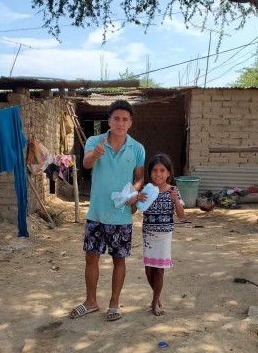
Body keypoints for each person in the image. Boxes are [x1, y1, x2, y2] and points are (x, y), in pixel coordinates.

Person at [69, 99, 145, 321]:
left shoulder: (137, 148)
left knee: (118, 260)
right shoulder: (95, 141)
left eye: (125, 120)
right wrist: (96, 154)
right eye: (116, 119)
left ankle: (114, 303)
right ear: (109, 121)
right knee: (91, 258)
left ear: (130, 123)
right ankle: (91, 301)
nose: (120, 123)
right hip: (97, 213)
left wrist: (133, 193)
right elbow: (86, 164)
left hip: (122, 215)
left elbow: (139, 178)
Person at [139, 154, 185, 316]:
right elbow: (138, 208)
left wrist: (176, 200)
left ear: (168, 174)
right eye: (154, 170)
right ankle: (156, 296)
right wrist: (137, 197)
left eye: (162, 170)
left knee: (159, 270)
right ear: (150, 173)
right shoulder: (147, 189)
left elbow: (181, 215)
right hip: (149, 234)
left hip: (165, 235)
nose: (158, 174)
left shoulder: (173, 190)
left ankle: (154, 300)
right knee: (149, 270)